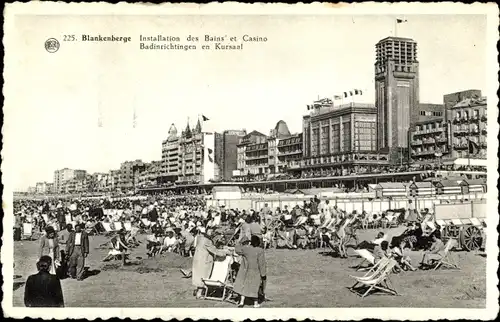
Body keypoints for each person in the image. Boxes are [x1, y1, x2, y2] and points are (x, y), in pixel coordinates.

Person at [191, 227, 231, 298]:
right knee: (202, 277)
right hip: (204, 261)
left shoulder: (200, 238)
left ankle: (199, 292)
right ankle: (199, 294)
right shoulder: (207, 241)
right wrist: (225, 252)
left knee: (199, 277)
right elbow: (214, 251)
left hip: (198, 260)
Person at [234, 235, 267, 308]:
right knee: (255, 287)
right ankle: (255, 303)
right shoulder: (260, 251)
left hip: (247, 270)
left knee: (245, 286)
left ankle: (242, 302)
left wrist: (241, 241)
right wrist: (263, 274)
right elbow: (261, 263)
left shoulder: (246, 249)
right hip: (256, 271)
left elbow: (237, 249)